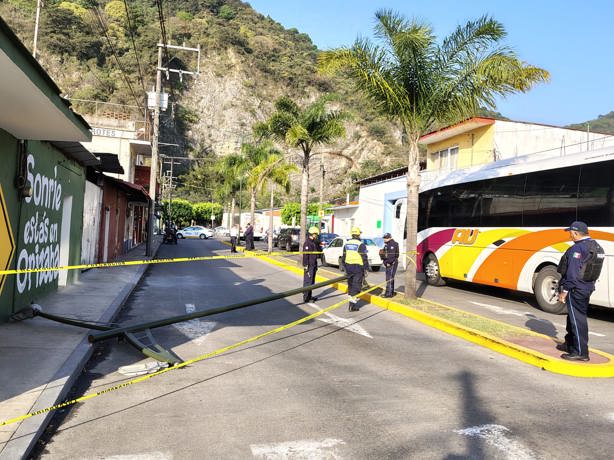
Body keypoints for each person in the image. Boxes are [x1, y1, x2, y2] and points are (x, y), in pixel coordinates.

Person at [556, 221, 601, 362]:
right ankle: (570, 344)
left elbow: (573, 273)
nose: (570, 235)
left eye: (571, 233)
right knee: (573, 317)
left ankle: (581, 352)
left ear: (576, 233)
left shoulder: (578, 249)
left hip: (576, 288)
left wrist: (565, 291)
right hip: (587, 287)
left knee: (578, 320)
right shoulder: (595, 246)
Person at [342, 227, 369, 311]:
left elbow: (344, 256)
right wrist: (366, 268)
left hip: (348, 266)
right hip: (358, 267)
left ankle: (351, 304)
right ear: (358, 234)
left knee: (350, 285)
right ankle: (352, 305)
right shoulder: (361, 244)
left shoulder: (346, 244)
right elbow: (364, 257)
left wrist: (344, 266)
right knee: (356, 286)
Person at [302, 226, 320, 303]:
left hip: (313, 265)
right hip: (309, 265)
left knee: (312, 282)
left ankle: (309, 296)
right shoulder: (307, 243)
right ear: (312, 234)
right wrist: (306, 266)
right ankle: (306, 297)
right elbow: (306, 256)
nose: (316, 236)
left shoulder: (313, 242)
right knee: (307, 281)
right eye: (316, 234)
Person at [381, 233, 399, 297]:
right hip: (388, 263)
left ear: (389, 238)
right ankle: (391, 292)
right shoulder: (387, 244)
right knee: (390, 278)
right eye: (384, 238)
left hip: (391, 263)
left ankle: (389, 294)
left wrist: (388, 262)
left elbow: (393, 256)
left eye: (385, 238)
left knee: (389, 278)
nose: (384, 239)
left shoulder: (392, 244)